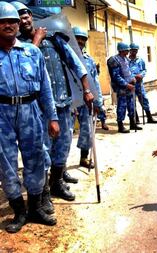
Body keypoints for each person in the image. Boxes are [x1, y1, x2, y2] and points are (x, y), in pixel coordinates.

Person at [16, 2, 94, 202]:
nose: (23, 21)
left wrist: (87, 90)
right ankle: (43, 192)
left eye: (26, 16)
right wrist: (35, 40)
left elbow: (75, 63)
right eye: (18, 18)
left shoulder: (53, 38)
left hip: (62, 102)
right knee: (42, 149)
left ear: (31, 17)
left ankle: (57, 183)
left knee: (63, 145)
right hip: (37, 108)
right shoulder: (17, 46)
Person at [0, 1, 59, 233]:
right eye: (3, 21)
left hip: (30, 110)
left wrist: (52, 118)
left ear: (18, 24)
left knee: (35, 159)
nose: (8, 25)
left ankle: (35, 208)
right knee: (6, 164)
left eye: (12, 21)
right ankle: (19, 211)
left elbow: (45, 88)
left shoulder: (32, 51)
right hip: (1, 114)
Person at [72, 26, 104, 169]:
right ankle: (58, 169)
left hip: (86, 99)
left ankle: (83, 158)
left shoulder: (89, 60)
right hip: (68, 100)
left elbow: (95, 81)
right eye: (77, 38)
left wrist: (98, 101)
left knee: (87, 129)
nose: (80, 41)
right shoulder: (62, 57)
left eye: (83, 39)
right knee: (63, 134)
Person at [107, 42, 141, 133]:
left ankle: (132, 123)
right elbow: (116, 76)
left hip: (130, 85)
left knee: (131, 104)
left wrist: (132, 78)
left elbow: (128, 71)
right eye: (127, 50)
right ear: (122, 50)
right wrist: (126, 84)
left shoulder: (126, 59)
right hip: (122, 87)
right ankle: (120, 126)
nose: (128, 51)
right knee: (122, 105)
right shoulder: (114, 60)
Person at [129, 42, 157, 123]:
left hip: (139, 83)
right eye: (132, 50)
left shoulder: (140, 60)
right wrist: (132, 77)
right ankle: (136, 118)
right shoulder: (126, 61)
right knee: (132, 101)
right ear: (130, 51)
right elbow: (125, 72)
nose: (134, 52)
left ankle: (149, 117)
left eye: (136, 50)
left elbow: (144, 70)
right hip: (130, 84)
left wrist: (141, 75)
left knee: (144, 99)